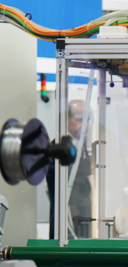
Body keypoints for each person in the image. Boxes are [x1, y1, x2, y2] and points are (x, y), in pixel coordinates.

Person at [47, 99, 92, 239]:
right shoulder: (58, 149)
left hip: (83, 222)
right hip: (66, 227)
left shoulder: (83, 147)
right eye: (80, 119)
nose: (85, 125)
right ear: (67, 120)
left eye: (87, 119)